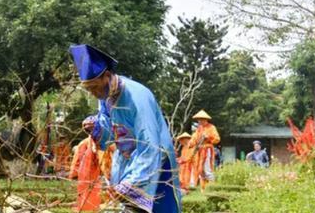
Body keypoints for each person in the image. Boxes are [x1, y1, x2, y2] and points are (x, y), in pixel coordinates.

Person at [70, 44, 182, 213]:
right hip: (128, 162)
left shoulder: (137, 97)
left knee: (159, 208)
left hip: (155, 164)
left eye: (94, 87)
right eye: (88, 89)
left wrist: (132, 182)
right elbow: (108, 138)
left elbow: (150, 144)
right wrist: (96, 128)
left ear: (106, 76)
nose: (92, 93)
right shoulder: (105, 96)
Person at [70, 117, 104, 212]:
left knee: (94, 193)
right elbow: (76, 160)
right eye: (88, 129)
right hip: (84, 173)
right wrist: (74, 174)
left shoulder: (100, 143)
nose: (91, 131)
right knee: (85, 193)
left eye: (92, 128)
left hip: (95, 174)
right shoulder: (84, 143)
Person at [189, 110, 220, 191]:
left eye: (201, 119)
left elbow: (217, 139)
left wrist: (208, 137)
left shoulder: (211, 127)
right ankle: (203, 189)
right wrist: (191, 143)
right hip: (199, 150)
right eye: (199, 119)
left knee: (207, 169)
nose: (200, 121)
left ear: (206, 119)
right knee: (200, 170)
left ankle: (213, 187)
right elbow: (194, 138)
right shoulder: (199, 128)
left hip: (207, 150)